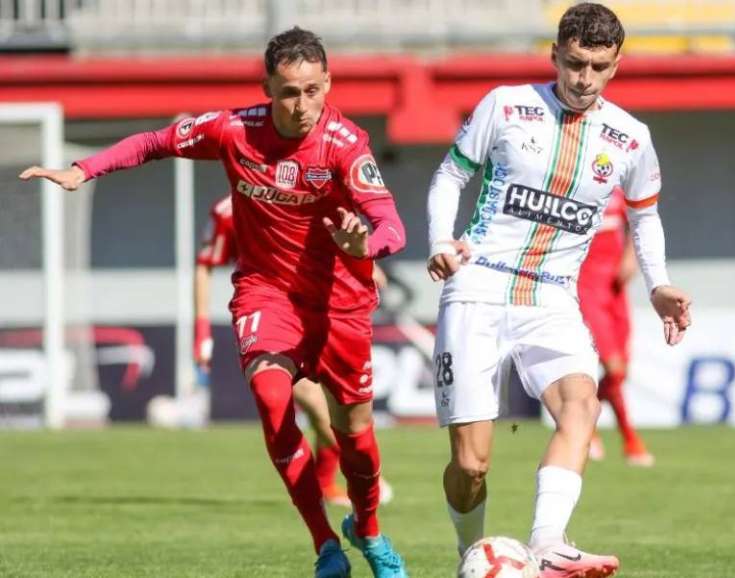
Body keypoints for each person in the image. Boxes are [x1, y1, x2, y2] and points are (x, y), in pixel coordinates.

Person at [21, 27, 409, 578]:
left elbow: (391, 222)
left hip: (339, 303)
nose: (302, 105)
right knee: (273, 402)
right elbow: (155, 142)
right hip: (267, 293)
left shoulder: (345, 145)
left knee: (356, 439)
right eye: (289, 92)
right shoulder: (233, 130)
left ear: (328, 83)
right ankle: (325, 543)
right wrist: (84, 169)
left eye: (312, 90)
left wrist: (366, 244)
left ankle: (367, 530)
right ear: (267, 89)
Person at [426, 3, 691, 577]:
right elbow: (450, 174)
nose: (584, 78)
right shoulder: (506, 105)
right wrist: (440, 240)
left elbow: (644, 216)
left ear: (616, 65)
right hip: (478, 287)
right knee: (471, 466)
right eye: (574, 63)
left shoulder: (630, 137)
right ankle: (470, 552)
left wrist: (659, 284)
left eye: (598, 67)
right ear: (554, 55)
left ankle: (547, 544)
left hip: (552, 295)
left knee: (582, 404)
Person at [194, 194, 396, 504]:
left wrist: (364, 262)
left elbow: (328, 234)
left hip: (321, 313)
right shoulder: (226, 211)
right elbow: (204, 265)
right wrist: (201, 330)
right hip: (273, 320)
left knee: (333, 406)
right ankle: (365, 480)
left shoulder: (299, 193)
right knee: (316, 405)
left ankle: (326, 484)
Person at [578, 186, 655, 467]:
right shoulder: (574, 184)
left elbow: (639, 220)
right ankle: (630, 439)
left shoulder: (619, 187)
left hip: (615, 289)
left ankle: (583, 422)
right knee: (612, 367)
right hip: (585, 287)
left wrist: (631, 257)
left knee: (622, 371)